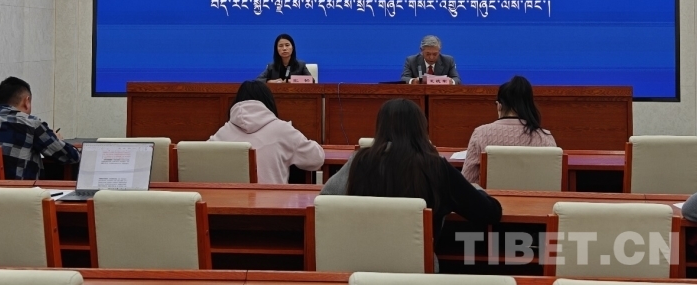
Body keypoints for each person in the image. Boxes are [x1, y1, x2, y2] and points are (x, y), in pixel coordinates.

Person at [320, 99, 502, 253]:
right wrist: (475, 189)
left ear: (380, 127)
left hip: (359, 266)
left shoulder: (360, 161)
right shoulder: (436, 166)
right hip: (418, 273)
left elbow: (325, 200)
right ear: (422, 127)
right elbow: (489, 213)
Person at [210, 80, 324, 184]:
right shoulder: (282, 130)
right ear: (269, 102)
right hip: (274, 200)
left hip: (231, 200)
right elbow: (316, 159)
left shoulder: (223, 133)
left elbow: (204, 161)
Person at [0, 76, 80, 180]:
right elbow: (71, 156)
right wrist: (56, 139)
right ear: (27, 101)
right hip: (21, 192)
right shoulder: (31, 123)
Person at [462, 75, 556, 184]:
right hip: (535, 195)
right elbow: (553, 181)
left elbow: (467, 182)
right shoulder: (546, 138)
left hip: (491, 195)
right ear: (530, 106)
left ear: (499, 106)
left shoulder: (480, 134)